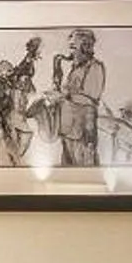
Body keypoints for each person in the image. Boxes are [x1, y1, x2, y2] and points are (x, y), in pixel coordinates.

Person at [51, 28, 106, 167]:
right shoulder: (75, 68)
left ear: (85, 47)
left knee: (84, 168)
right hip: (68, 129)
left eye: (73, 47)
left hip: (83, 132)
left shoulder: (95, 67)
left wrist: (64, 96)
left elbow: (91, 99)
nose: (70, 52)